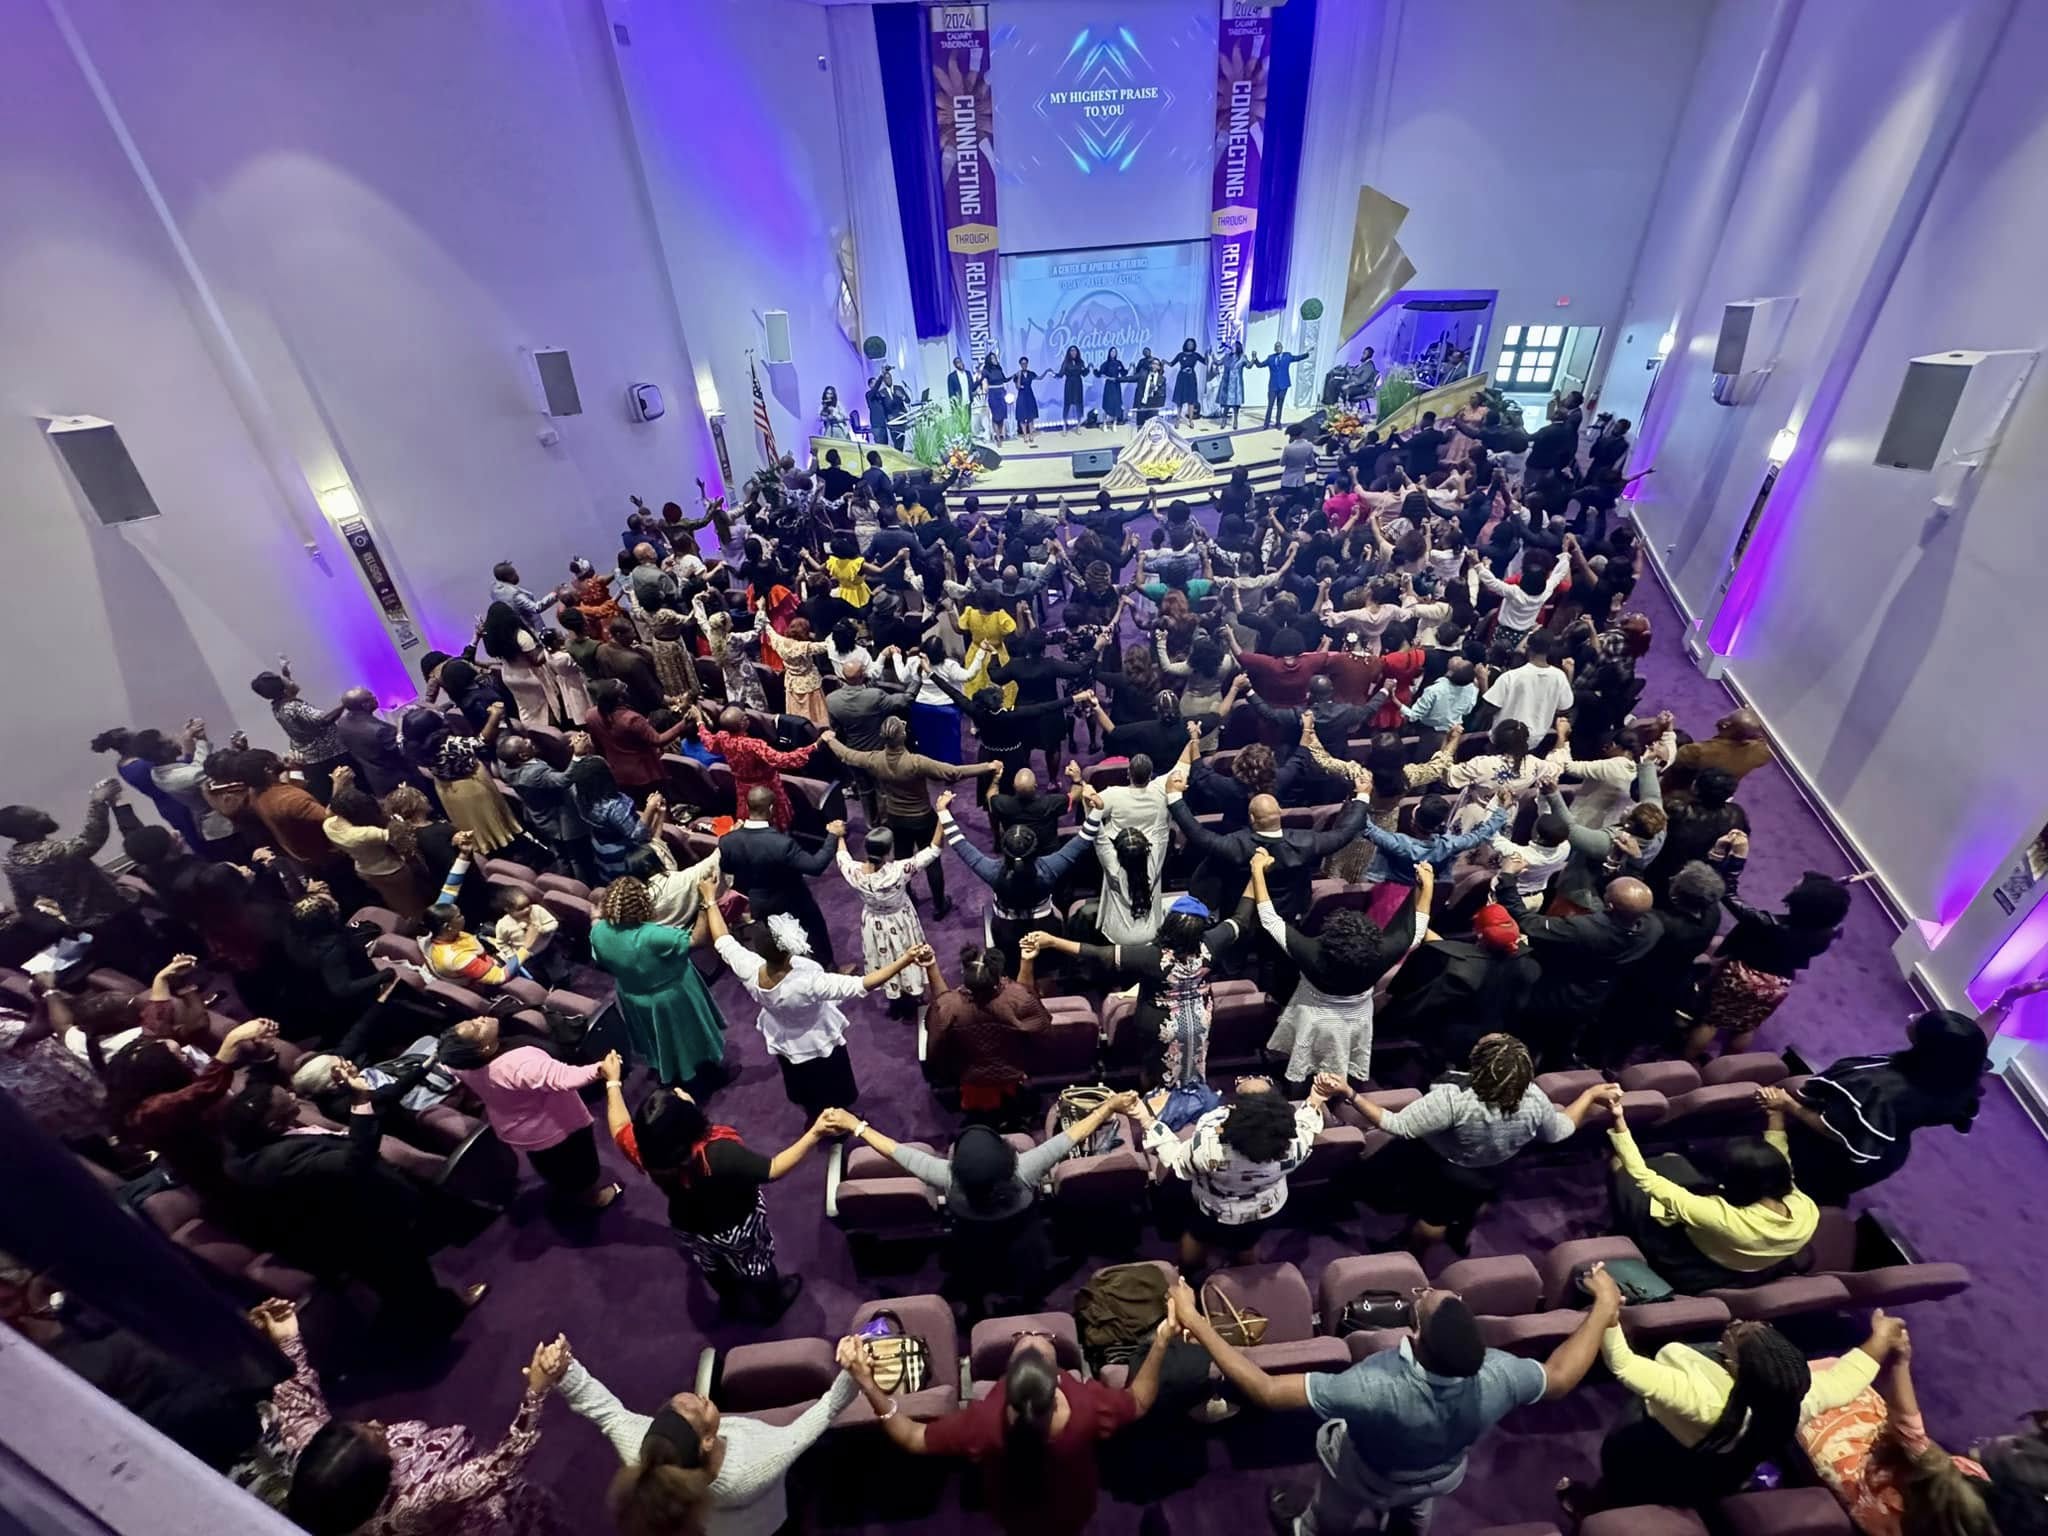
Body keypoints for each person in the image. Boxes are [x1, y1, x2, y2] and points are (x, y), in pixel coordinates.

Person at [1171, 1262, 1619, 1536]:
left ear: (1417, 1335)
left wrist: (1196, 1320)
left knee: (1329, 1517)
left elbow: (1266, 1391)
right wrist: (1602, 1307)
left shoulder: (1373, 1386)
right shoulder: (1499, 1373)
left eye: (1422, 1300)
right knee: (1415, 1512)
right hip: (1440, 1474)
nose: (1422, 1293)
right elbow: (1561, 1377)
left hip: (1366, 1475)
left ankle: (1304, 1530)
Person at [843, 1308, 1177, 1536]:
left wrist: (867, 1383)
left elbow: (913, 1437)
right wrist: (1161, 1341)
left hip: (1012, 1516)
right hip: (1074, 1512)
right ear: (1056, 1382)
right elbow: (1139, 1401)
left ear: (1007, 1382)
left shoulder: (983, 1421)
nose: (1030, 1335)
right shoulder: (1087, 1405)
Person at [256, 1300, 570, 1536]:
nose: (377, 1424)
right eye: (377, 1439)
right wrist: (536, 1392)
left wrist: (287, 1337)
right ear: (378, 1482)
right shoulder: (412, 1506)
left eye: (362, 1426)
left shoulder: (319, 1467)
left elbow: (298, 1403)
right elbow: (500, 1468)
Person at [221, 1076, 487, 1338]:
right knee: (408, 1276)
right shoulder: (278, 1161)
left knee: (401, 1280)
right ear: (273, 1124)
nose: (294, 1097)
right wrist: (361, 1101)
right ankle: (442, 1322)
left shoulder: (244, 1145)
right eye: (287, 1100)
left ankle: (431, 1322)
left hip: (346, 1217)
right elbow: (355, 1160)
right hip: (354, 1227)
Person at [828, 1092, 1137, 1311]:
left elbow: (896, 1152)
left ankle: (978, 1305)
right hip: (1024, 1248)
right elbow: (1071, 1137)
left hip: (971, 1249)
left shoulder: (948, 1177)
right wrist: (1109, 1106)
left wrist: (856, 1126)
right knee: (1029, 1280)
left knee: (974, 1279)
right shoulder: (1024, 1171)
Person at [1576, 1311, 1905, 1516]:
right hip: (1715, 1478)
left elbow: (1623, 1364)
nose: (1735, 1325)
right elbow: (1849, 1376)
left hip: (1647, 1459)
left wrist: (1607, 1310)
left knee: (1619, 1488)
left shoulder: (1702, 1398)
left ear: (1737, 1367)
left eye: (1739, 1335)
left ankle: (1590, 1509)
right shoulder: (1795, 1402)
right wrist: (1881, 1337)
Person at [1329, 1036, 1616, 1253]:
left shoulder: (1453, 1099)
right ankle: (1461, 1236)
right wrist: (1589, 1095)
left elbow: (1397, 1125)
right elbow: (1559, 1130)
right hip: (1494, 1170)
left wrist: (1351, 1094)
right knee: (1472, 1204)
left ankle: (1414, 1255)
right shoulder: (1534, 1099)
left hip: (1449, 1170)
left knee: (1433, 1221)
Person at [600, 1059, 833, 1321]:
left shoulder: (649, 1153)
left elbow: (619, 1127)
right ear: (687, 1121)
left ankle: (730, 1297)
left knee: (710, 1262)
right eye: (678, 1096)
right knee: (756, 1262)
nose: (680, 1091)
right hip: (738, 1224)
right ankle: (772, 1302)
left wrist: (613, 1082)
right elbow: (773, 1169)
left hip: (688, 1225)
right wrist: (815, 1133)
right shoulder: (719, 1153)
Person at [700, 883, 931, 1118]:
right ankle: (838, 1122)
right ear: (789, 951)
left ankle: (814, 1116)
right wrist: (905, 959)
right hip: (818, 1039)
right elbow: (863, 984)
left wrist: (709, 900)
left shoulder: (749, 968)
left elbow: (722, 940)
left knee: (804, 1087)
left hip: (785, 1039)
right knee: (832, 1087)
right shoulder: (808, 983)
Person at [1775, 996, 2018, 1206]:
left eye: (1921, 1021)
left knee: (1787, 1168)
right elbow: (1972, 1043)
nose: (1915, 1016)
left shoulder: (1880, 1089)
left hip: (1839, 1151)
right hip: (1889, 1150)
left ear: (1929, 1046)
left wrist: (1789, 1105)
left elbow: (1836, 1131)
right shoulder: (1957, 1075)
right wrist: (2005, 1002)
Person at [1797, 1316, 1995, 1536]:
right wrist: (1900, 1361)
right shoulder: (1953, 1500)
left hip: (1819, 1418)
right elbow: (1912, 1438)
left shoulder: (1899, 1496)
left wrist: (1895, 1355)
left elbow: (1909, 1433)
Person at [1607, 1092, 1818, 1294]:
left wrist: (1619, 1120)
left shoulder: (1722, 1217)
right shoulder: (1804, 1207)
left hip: (1697, 1262)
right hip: (1752, 1259)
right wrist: (1775, 1113)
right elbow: (1780, 1158)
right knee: (1672, 1159)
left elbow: (1644, 1178)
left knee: (1621, 1165)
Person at [1253, 850, 1423, 1089]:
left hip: (1313, 1017)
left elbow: (1270, 919)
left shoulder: (1312, 952)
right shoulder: (1380, 955)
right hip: (1356, 1017)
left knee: (1301, 1064)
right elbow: (1415, 930)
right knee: (1341, 1060)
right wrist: (1425, 886)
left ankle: (1299, 1093)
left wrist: (1257, 871)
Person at [1133, 1073, 1325, 1270]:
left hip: (1213, 1211)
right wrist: (1316, 1097)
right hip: (1264, 1211)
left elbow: (1175, 1160)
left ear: (1236, 1111)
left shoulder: (1210, 1149)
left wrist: (1145, 1119)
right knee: (1247, 1243)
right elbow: (1307, 1125)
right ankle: (1245, 1273)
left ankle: (1189, 1272)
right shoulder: (1293, 1148)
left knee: (1197, 1236)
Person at [438, 1019, 622, 1211]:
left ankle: (567, 1190)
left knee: (551, 1165)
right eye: (477, 1028)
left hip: (520, 1129)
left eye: (472, 1021)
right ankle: (594, 1199)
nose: (479, 1020)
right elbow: (563, 1078)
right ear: (483, 1049)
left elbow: (445, 1063)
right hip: (555, 1126)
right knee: (580, 1165)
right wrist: (602, 1069)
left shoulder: (459, 1062)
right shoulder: (516, 1066)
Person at [827, 716, 997, 921]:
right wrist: (987, 766)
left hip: (895, 819)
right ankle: (939, 905)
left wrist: (830, 739)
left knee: (901, 860)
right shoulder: (916, 762)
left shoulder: (874, 759)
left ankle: (908, 897)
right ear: (903, 736)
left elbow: (847, 755)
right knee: (932, 860)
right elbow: (953, 772)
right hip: (923, 818)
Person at [1687, 852, 1853, 1059]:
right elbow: (1824, 906)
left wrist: (1737, 859)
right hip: (1776, 985)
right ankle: (1725, 1066)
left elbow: (1728, 894)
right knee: (1746, 1026)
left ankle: (1687, 1060)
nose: (1794, 885)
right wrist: (1839, 885)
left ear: (1801, 901)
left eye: (1798, 887)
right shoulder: (1826, 933)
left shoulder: (1766, 923)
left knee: (1710, 1021)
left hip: (1742, 978)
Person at [1494, 871, 1661, 1066]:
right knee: (1561, 1048)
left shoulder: (1582, 930)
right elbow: (1632, 906)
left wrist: (1507, 881)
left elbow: (1528, 923)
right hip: (1592, 997)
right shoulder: (1654, 930)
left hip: (1554, 996)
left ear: (1609, 906)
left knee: (1526, 1043)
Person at [1, 781, 158, 972]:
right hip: (110, 916)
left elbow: (25, 905)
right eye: (37, 815)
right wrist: (98, 802)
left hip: (83, 922)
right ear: (26, 828)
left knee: (129, 963)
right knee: (149, 958)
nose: (45, 813)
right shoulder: (48, 853)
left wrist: (56, 928)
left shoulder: (11, 862)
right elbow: (90, 840)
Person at [592, 876, 728, 1089]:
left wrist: (595, 918)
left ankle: (671, 1072)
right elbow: (697, 940)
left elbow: (599, 957)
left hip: (633, 996)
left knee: (659, 1040)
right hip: (672, 996)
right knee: (691, 1039)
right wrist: (704, 904)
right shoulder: (653, 935)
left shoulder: (598, 932)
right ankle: (708, 1076)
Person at [942, 789, 1103, 967]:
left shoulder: (993, 872)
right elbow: (1083, 840)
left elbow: (960, 845)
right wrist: (1097, 810)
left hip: (1006, 936)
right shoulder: (1049, 868)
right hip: (1046, 931)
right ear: (1035, 848)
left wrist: (943, 812)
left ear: (1004, 850)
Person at [1376, 901, 1541, 1068]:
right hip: (1495, 1039)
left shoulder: (1455, 968)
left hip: (1449, 1041)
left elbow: (1414, 999)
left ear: (1479, 934)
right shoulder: (1530, 967)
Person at [718, 785, 842, 965]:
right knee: (815, 933)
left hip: (758, 904)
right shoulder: (782, 844)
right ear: (771, 808)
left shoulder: (728, 840)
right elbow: (815, 866)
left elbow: (727, 868)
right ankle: (828, 968)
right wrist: (832, 836)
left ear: (747, 807)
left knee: (777, 945)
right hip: (794, 901)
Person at [833, 826, 945, 1016]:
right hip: (900, 920)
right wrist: (942, 818)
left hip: (873, 923)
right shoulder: (899, 871)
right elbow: (934, 850)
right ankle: (912, 994)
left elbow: (842, 857)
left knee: (883, 959)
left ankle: (894, 1000)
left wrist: (840, 836)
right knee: (906, 954)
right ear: (888, 851)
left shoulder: (855, 872)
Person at [402, 704, 524, 856]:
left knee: (471, 821)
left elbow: (400, 735)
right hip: (470, 783)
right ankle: (506, 847)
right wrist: (495, 715)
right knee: (488, 817)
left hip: (446, 788)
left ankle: (486, 848)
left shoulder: (409, 747)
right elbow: (481, 741)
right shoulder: (449, 744)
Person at [322, 772, 430, 917]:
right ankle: (420, 923)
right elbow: (399, 834)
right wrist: (401, 804)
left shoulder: (329, 824)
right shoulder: (365, 834)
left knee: (393, 899)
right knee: (411, 902)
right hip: (390, 870)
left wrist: (340, 784)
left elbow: (331, 809)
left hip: (365, 869)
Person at [698, 706, 820, 833]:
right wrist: (814, 746)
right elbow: (782, 760)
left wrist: (700, 723)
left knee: (750, 817)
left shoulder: (722, 737)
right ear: (741, 724)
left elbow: (708, 742)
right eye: (744, 717)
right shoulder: (753, 745)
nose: (747, 717)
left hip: (743, 788)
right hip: (766, 787)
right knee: (775, 819)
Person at [250, 660, 351, 801]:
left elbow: (292, 691)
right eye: (284, 680)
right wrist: (345, 703)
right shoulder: (294, 706)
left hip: (313, 759)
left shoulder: (278, 706)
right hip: (330, 755)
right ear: (282, 687)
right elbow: (324, 720)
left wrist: (286, 674)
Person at [583, 678, 687, 804]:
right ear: (620, 698)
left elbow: (598, 746)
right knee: (658, 807)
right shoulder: (632, 719)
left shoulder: (591, 716)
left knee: (636, 809)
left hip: (618, 774)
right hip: (645, 775)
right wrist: (684, 723)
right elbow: (658, 740)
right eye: (624, 690)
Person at [479, 601, 566, 727]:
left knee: (527, 710)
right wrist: (550, 647)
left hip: (510, 678)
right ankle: (550, 733)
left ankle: (533, 733)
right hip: (530, 677)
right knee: (544, 711)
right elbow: (536, 660)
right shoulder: (520, 635)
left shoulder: (494, 638)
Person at [1479, 632, 1576, 740]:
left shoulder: (1511, 676)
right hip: (1536, 739)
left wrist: (1483, 683)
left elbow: (1489, 709)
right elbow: (1564, 707)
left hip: (1504, 739)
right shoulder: (1560, 676)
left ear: (1528, 648)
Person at [1662, 706, 1773, 794]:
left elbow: (1673, 763)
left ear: (1725, 725)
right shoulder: (1759, 753)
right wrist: (1751, 726)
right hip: (1720, 791)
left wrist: (1669, 733)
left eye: (1728, 716)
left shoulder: (1696, 751)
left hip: (1686, 792)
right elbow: (1762, 742)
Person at [334, 690, 419, 799]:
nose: (375, 697)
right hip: (401, 780)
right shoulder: (380, 730)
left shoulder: (342, 723)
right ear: (365, 705)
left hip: (376, 779)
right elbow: (404, 750)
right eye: (371, 696)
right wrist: (402, 722)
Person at [1257, 347, 1307, 429]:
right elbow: (1260, 365)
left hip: (1283, 385)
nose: (1278, 348)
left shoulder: (1287, 356)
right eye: (1276, 347)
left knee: (1280, 405)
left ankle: (1278, 423)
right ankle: (1266, 424)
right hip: (1273, 385)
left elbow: (1297, 358)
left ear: (1282, 348)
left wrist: (1307, 353)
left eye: (1279, 347)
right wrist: (1255, 359)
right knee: (1270, 405)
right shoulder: (1270, 358)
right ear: (1274, 349)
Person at [1214, 338, 1248, 427]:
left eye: (1234, 346)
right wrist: (1211, 356)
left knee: (1236, 405)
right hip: (1226, 383)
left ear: (1238, 348)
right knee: (1225, 404)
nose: (1232, 347)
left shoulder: (1242, 357)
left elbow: (1249, 366)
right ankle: (1224, 420)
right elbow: (1218, 362)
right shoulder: (1227, 356)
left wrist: (1253, 359)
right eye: (1232, 346)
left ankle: (1235, 420)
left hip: (1236, 384)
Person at [1171, 337, 1203, 423]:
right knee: (1180, 399)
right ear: (1185, 345)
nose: (1190, 345)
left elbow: (1205, 362)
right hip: (1181, 378)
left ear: (1194, 345)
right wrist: (1164, 362)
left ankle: (1190, 420)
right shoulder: (1180, 355)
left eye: (1191, 344)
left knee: (1191, 399)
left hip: (1191, 378)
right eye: (1188, 344)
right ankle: (1178, 418)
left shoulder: (1196, 355)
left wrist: (1210, 355)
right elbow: (1171, 364)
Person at [1096, 347, 1129, 426]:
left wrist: (1130, 368)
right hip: (1109, 386)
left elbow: (1123, 373)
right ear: (1109, 353)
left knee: (1117, 404)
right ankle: (1104, 423)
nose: (1113, 353)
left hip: (1116, 385)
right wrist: (1095, 370)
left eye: (1115, 352)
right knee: (1107, 403)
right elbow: (1100, 374)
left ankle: (1114, 423)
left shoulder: (1118, 363)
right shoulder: (1106, 363)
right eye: (1112, 352)